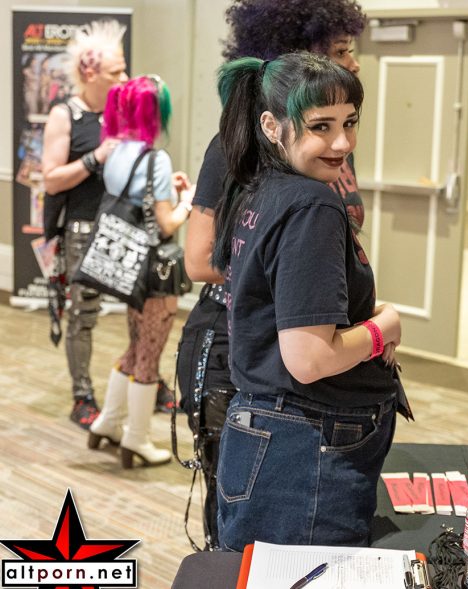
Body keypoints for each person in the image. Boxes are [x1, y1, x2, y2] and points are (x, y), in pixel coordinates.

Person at [176, 0, 366, 550]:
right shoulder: (234, 148)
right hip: (240, 345)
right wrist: (291, 284)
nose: (352, 63)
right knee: (247, 532)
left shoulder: (326, 152)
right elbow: (198, 259)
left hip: (306, 355)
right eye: (339, 51)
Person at [212, 52, 401, 551]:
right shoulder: (311, 203)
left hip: (266, 431)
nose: (342, 143)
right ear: (271, 126)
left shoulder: (258, 189)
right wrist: (384, 328)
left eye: (349, 123)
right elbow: (310, 359)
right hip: (306, 440)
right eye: (321, 127)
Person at [86, 75, 194, 468]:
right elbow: (165, 224)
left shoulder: (115, 151)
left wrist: (167, 191)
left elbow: (138, 199)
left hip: (129, 268)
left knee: (133, 348)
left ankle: (107, 422)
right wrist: (188, 201)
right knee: (149, 355)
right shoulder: (155, 159)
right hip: (155, 273)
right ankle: (136, 439)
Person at [42, 20, 128, 429]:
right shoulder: (66, 115)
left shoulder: (120, 111)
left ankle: (143, 380)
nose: (124, 78)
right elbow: (50, 179)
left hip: (121, 226)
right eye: (116, 72)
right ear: (90, 73)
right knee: (82, 316)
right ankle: (82, 396)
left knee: (142, 308)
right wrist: (96, 158)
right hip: (81, 228)